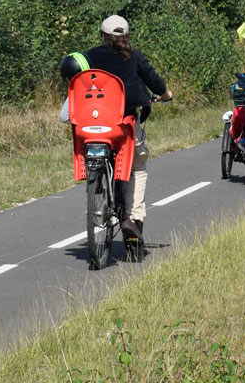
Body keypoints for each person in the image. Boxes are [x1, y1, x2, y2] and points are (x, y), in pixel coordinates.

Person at [58, 15, 172, 241]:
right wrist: (166, 96)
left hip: (90, 128)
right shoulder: (133, 56)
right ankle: (133, 218)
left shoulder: (88, 57)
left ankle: (99, 186)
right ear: (126, 37)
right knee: (136, 166)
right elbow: (155, 82)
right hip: (122, 127)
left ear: (102, 36)